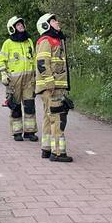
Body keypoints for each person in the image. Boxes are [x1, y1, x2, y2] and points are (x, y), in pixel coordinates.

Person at [35, 13, 73, 162]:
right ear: (46, 25)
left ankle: (47, 148)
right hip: (51, 87)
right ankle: (58, 153)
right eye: (53, 21)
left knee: (48, 117)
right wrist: (50, 83)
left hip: (54, 86)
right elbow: (42, 63)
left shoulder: (56, 40)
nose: (57, 23)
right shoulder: (46, 40)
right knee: (57, 118)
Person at [0, 16, 38, 142]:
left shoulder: (29, 41)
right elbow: (0, 60)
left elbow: (34, 59)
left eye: (21, 24)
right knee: (15, 107)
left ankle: (30, 132)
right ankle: (17, 132)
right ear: (12, 28)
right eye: (18, 25)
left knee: (30, 105)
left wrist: (37, 76)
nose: (21, 26)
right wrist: (3, 73)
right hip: (14, 81)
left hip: (29, 80)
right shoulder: (8, 43)